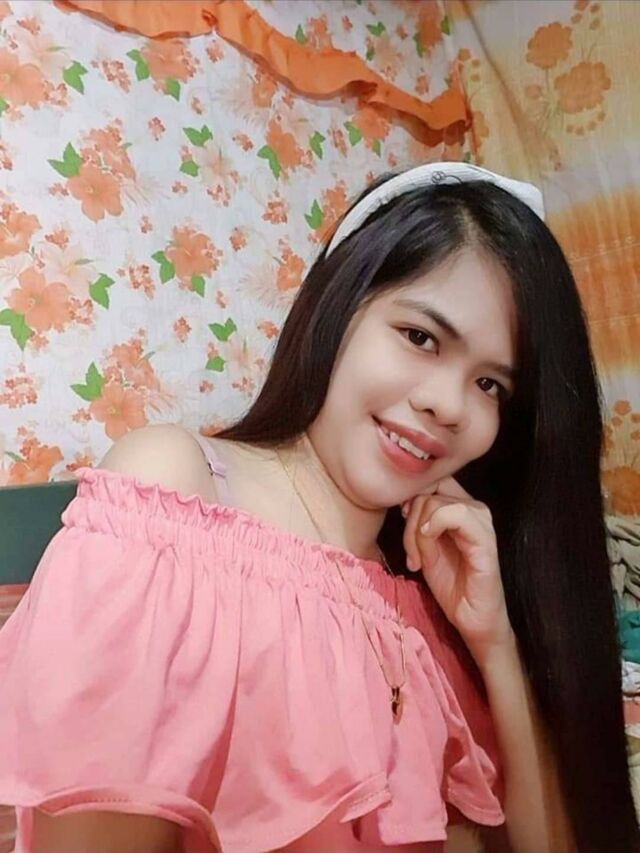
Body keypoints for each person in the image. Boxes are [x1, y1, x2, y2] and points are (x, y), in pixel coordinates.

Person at [0, 162, 637, 853]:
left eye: (490, 385)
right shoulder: (175, 495)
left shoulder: (434, 584)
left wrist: (496, 641)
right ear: (339, 303)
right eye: (421, 337)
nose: (448, 405)